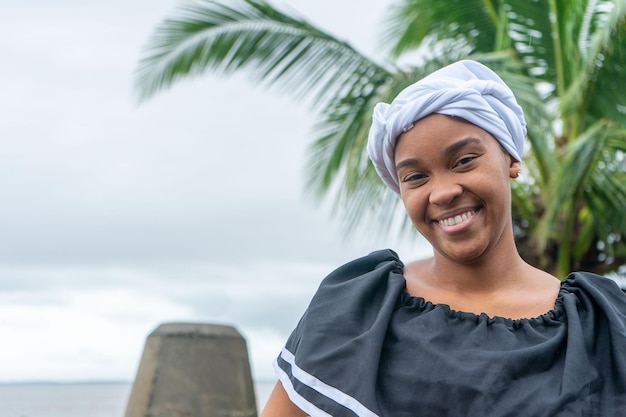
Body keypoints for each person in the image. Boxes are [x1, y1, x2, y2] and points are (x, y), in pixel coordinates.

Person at [260, 60, 626, 416]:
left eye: (464, 160)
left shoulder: (600, 324)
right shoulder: (359, 309)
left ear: (511, 158)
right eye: (416, 177)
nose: (443, 192)